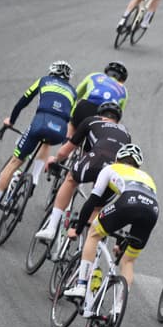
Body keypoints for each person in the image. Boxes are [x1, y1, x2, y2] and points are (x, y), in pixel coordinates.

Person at [64, 144, 159, 317]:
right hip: (152, 211)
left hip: (128, 202)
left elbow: (92, 202)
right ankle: (118, 307)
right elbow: (138, 211)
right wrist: (122, 244)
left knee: (93, 234)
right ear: (137, 166)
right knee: (128, 261)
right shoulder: (147, 177)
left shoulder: (110, 169)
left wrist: (77, 229)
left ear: (117, 159)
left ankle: (81, 285)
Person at [0, 61, 75, 224]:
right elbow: (71, 119)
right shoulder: (73, 92)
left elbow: (22, 102)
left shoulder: (44, 80)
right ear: (68, 78)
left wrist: (11, 121)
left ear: (51, 72)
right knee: (46, 142)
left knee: (15, 162)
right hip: (59, 131)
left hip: (40, 123)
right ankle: (35, 179)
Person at [34, 100, 131, 241]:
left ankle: (51, 228)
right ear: (117, 120)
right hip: (117, 171)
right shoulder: (126, 133)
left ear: (99, 115)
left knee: (70, 179)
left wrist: (55, 160)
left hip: (97, 159)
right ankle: (85, 247)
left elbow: (65, 151)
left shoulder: (92, 121)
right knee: (96, 206)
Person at [68, 61, 128, 139]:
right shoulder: (123, 90)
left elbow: (76, 94)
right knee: (95, 140)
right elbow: (119, 113)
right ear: (122, 80)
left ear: (106, 71)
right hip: (106, 114)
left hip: (85, 106)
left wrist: (71, 114)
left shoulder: (95, 75)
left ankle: (67, 140)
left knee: (72, 127)